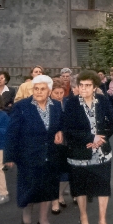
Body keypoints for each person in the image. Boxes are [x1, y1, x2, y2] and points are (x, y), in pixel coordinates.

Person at [4, 75, 63, 224]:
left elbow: (61, 124)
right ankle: (27, 220)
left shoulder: (56, 106)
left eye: (42, 89)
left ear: (49, 90)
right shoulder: (22, 106)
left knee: (48, 188)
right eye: (36, 89)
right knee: (29, 188)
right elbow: (12, 132)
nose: (38, 92)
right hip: (28, 155)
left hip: (50, 154)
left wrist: (60, 131)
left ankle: (43, 220)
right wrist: (9, 155)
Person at [63, 70, 113, 224]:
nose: (84, 88)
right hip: (80, 152)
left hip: (101, 153)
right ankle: (84, 217)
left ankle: (102, 221)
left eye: (88, 85)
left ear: (94, 87)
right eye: (81, 85)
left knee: (103, 186)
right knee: (80, 187)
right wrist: (89, 138)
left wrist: (102, 139)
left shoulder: (102, 100)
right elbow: (68, 129)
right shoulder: (72, 103)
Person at [49, 78, 70, 214]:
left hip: (67, 141)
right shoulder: (48, 105)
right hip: (53, 142)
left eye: (61, 92)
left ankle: (60, 193)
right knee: (54, 172)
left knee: (66, 172)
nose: (59, 95)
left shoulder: (68, 103)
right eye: (56, 93)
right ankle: (54, 199)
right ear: (50, 92)